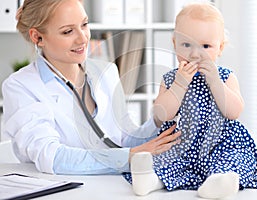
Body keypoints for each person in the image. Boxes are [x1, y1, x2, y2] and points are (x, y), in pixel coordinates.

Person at [1, 0, 181, 175]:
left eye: (84, 24)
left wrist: (158, 119)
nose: (82, 38)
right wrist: (128, 158)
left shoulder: (107, 71)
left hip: (112, 188)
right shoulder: (21, 86)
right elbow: (52, 156)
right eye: (68, 31)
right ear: (37, 37)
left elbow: (124, 138)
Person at [126, 2, 257, 199]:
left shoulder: (225, 76)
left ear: (220, 48)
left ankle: (219, 181)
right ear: (174, 44)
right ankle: (150, 180)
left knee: (233, 159)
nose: (195, 54)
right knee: (166, 160)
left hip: (220, 143)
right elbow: (162, 114)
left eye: (206, 46)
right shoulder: (172, 78)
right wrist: (180, 85)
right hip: (183, 142)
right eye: (186, 45)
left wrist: (215, 82)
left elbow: (234, 112)